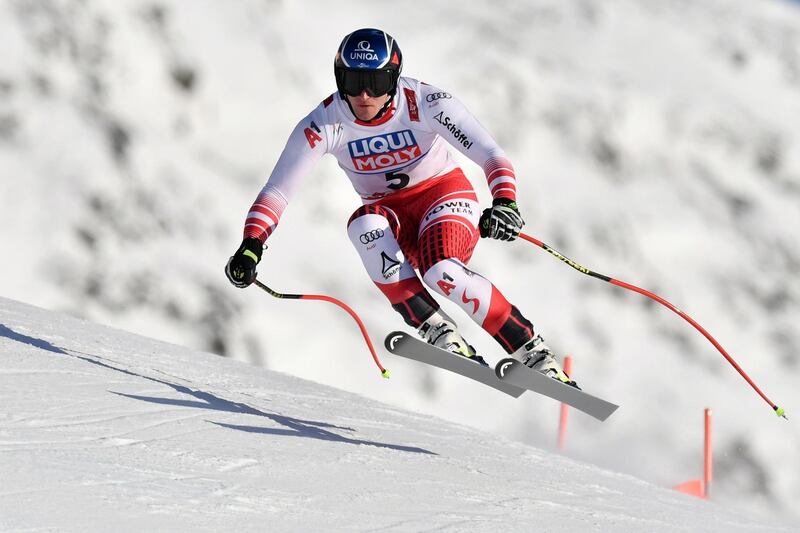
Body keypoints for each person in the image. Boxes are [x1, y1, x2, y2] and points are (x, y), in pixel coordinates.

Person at [225, 28, 574, 385]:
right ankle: (433, 326)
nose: (363, 94)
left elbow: (491, 155)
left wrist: (505, 202)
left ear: (393, 78)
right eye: (352, 80)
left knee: (442, 272)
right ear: (338, 77)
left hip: (444, 197)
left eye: (375, 83)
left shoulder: (424, 103)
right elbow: (278, 191)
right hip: (394, 216)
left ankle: (531, 350)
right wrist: (251, 245)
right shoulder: (326, 122)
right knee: (362, 226)